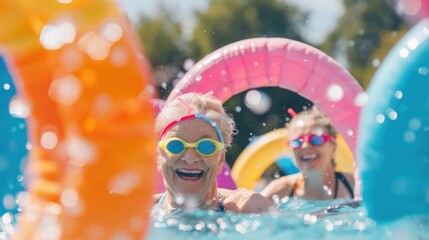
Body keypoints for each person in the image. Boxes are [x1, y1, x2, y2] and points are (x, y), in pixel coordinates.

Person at [153, 92, 274, 214]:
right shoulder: (140, 212)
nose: (190, 158)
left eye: (205, 146)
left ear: (220, 159)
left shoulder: (250, 209)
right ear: (159, 156)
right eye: (176, 145)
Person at [261, 108, 355, 201]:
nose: (305, 146)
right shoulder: (280, 191)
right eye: (297, 142)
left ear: (333, 147)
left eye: (316, 139)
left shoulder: (355, 186)